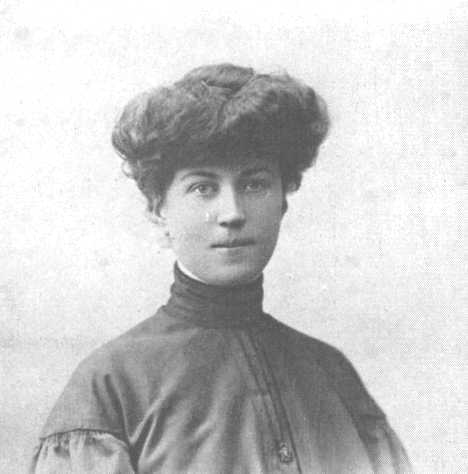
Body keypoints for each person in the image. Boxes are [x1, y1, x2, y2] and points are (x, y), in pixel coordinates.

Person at [31, 63, 412, 473]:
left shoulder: (332, 375)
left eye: (254, 184)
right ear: (158, 209)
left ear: (283, 200)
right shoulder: (110, 386)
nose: (232, 213)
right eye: (203, 188)